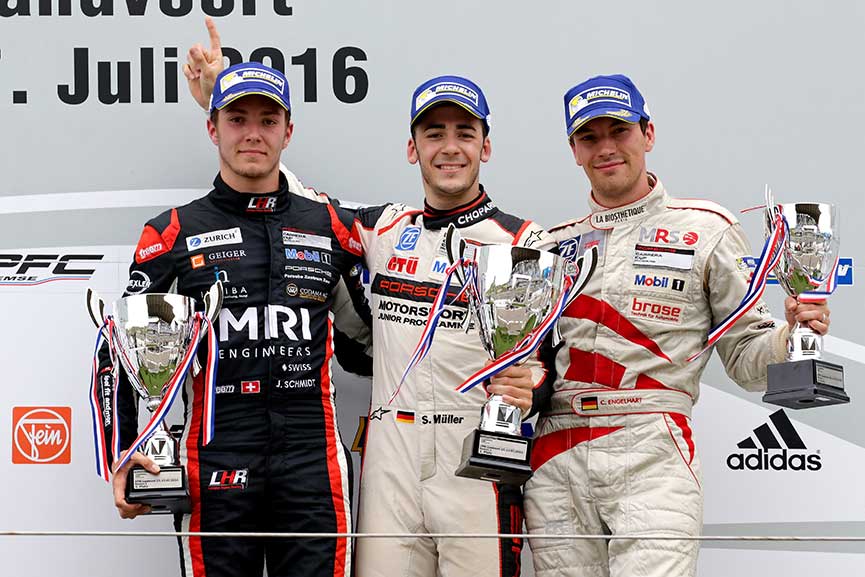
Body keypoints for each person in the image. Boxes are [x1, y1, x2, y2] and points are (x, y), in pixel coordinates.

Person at [182, 20, 553, 576]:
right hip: (391, 452)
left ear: (486, 145)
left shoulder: (527, 241)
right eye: (433, 133)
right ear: (412, 148)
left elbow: (547, 361)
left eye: (464, 132)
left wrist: (533, 386)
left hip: (475, 450)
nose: (449, 147)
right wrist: (219, 95)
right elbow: (277, 189)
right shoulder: (378, 228)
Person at [523, 73, 832, 577]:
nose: (606, 148)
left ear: (648, 134)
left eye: (618, 131)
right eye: (589, 137)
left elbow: (746, 358)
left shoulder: (706, 228)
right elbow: (524, 360)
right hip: (556, 451)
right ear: (574, 150)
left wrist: (790, 335)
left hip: (650, 446)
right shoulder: (549, 246)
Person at [103, 61, 372, 577]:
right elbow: (122, 357)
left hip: (313, 462)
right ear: (212, 128)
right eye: (237, 119)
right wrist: (126, 449)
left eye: (268, 121)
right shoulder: (174, 232)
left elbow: (378, 341)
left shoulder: (331, 227)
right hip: (216, 457)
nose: (253, 133)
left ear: (288, 132)